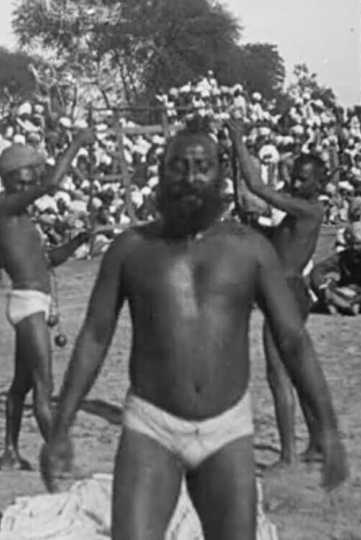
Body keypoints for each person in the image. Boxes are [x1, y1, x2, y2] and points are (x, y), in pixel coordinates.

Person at [40, 119, 346, 540]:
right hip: (151, 426)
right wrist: (61, 426)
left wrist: (327, 427)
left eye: (202, 166)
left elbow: (294, 341)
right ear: (161, 175)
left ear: (219, 176)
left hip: (228, 430)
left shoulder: (249, 249)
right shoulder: (130, 249)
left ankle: (294, 447)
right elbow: (94, 337)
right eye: (178, 166)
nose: (190, 177)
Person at [227, 117, 326, 466]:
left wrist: (237, 141)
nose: (296, 183)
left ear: (318, 183)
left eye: (304, 179)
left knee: (277, 374)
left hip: (284, 293)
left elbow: (256, 184)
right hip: (292, 291)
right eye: (295, 176)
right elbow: (278, 245)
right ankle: (316, 443)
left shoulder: (308, 209)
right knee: (295, 370)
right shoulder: (303, 211)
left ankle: (286, 457)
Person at [0, 130, 94, 470]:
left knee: (22, 386)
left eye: (31, 181)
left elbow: (47, 261)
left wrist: (78, 241)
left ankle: (9, 452)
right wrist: (78, 143)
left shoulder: (18, 216)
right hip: (28, 305)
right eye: (25, 180)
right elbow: (53, 183)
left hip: (31, 303)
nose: (30, 187)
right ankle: (59, 458)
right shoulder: (5, 207)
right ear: (9, 180)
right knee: (44, 387)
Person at [310, 221, 361, 315]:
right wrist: (323, 288)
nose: (354, 247)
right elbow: (318, 271)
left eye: (358, 244)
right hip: (345, 293)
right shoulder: (344, 257)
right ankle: (341, 302)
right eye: (351, 244)